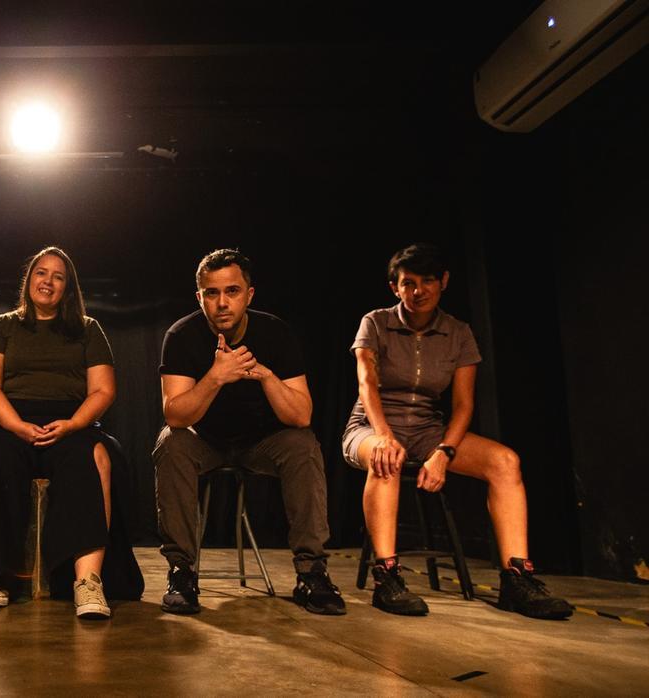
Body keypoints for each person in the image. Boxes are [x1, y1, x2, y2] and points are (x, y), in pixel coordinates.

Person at [343, 243, 572, 619]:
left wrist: (444, 453)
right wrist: (383, 435)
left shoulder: (458, 333)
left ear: (443, 282)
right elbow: (366, 384)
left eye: (428, 281)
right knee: (387, 460)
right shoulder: (375, 322)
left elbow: (464, 405)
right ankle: (386, 578)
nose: (418, 292)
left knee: (505, 462)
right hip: (371, 424)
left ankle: (516, 580)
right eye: (408, 283)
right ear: (394, 288)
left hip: (429, 430)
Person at [0, 246, 143, 619]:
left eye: (58, 276)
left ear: (68, 288)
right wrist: (16, 425)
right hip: (11, 418)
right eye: (41, 273)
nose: (48, 281)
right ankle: (0, 575)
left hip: (71, 420)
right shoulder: (4, 326)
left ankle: (87, 583)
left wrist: (73, 424)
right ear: (29, 280)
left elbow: (103, 391)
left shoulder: (88, 329)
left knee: (90, 457)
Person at [154, 248, 345, 616]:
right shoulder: (181, 335)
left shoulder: (275, 333)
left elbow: (302, 414)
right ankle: (181, 572)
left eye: (232, 291)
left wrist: (266, 375)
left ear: (249, 294)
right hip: (205, 440)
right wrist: (216, 377)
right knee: (171, 443)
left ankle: (312, 573)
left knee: (302, 444)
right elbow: (175, 415)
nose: (222, 303)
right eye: (212, 293)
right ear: (200, 297)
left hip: (262, 442)